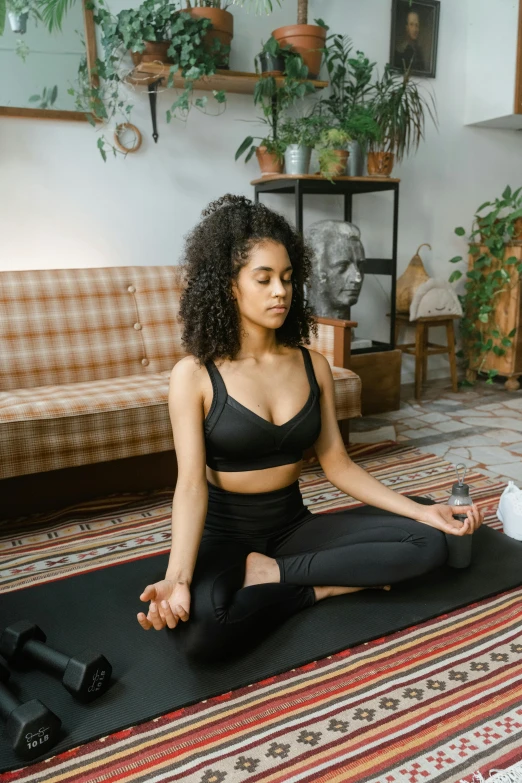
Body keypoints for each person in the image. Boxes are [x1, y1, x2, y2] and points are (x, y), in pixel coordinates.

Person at [136, 194, 484, 663]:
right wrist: (178, 578)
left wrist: (424, 513)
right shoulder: (194, 375)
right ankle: (320, 586)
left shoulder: (312, 364)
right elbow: (190, 485)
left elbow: (337, 464)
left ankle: (274, 574)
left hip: (291, 527)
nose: (280, 291)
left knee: (430, 536)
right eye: (263, 279)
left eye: (286, 278)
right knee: (202, 636)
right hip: (225, 535)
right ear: (228, 286)